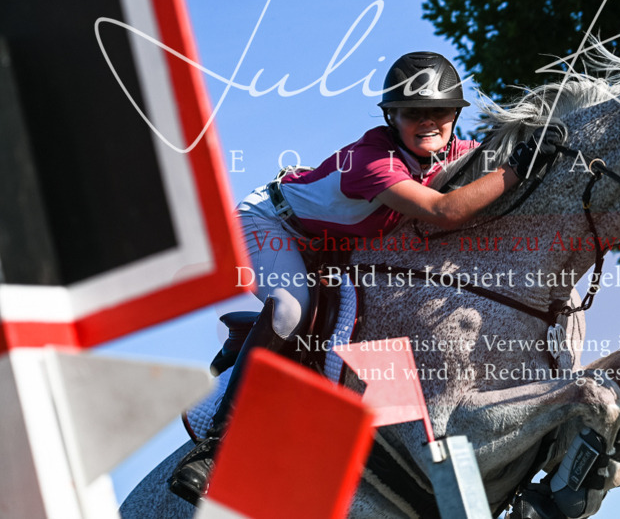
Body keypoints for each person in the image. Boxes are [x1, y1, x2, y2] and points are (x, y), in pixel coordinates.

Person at [168, 51, 564, 505]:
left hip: (334, 245)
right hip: (270, 227)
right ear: (392, 117)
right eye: (415, 113)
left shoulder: (455, 154)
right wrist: (516, 169)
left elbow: (486, 191)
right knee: (292, 308)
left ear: (456, 114)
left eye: (439, 111)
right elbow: (444, 212)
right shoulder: (371, 159)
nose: (428, 121)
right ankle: (214, 448)